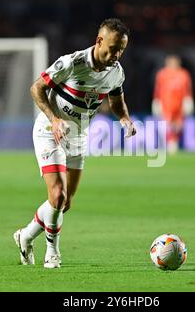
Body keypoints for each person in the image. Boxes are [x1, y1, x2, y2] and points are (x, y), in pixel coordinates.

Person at [14, 18, 136, 268]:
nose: (117, 54)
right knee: (57, 195)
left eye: (122, 49)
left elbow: (115, 100)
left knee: (64, 202)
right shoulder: (72, 63)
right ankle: (52, 252)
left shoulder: (116, 72)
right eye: (114, 48)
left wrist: (124, 118)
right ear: (99, 40)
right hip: (51, 131)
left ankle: (25, 236)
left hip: (78, 137)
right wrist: (55, 119)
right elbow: (36, 88)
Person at [152, 54, 194, 154]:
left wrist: (188, 100)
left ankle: (174, 142)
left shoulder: (184, 74)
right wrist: (156, 101)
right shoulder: (162, 74)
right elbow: (158, 90)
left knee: (179, 125)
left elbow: (187, 89)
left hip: (179, 104)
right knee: (168, 125)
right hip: (166, 104)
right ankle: (170, 143)